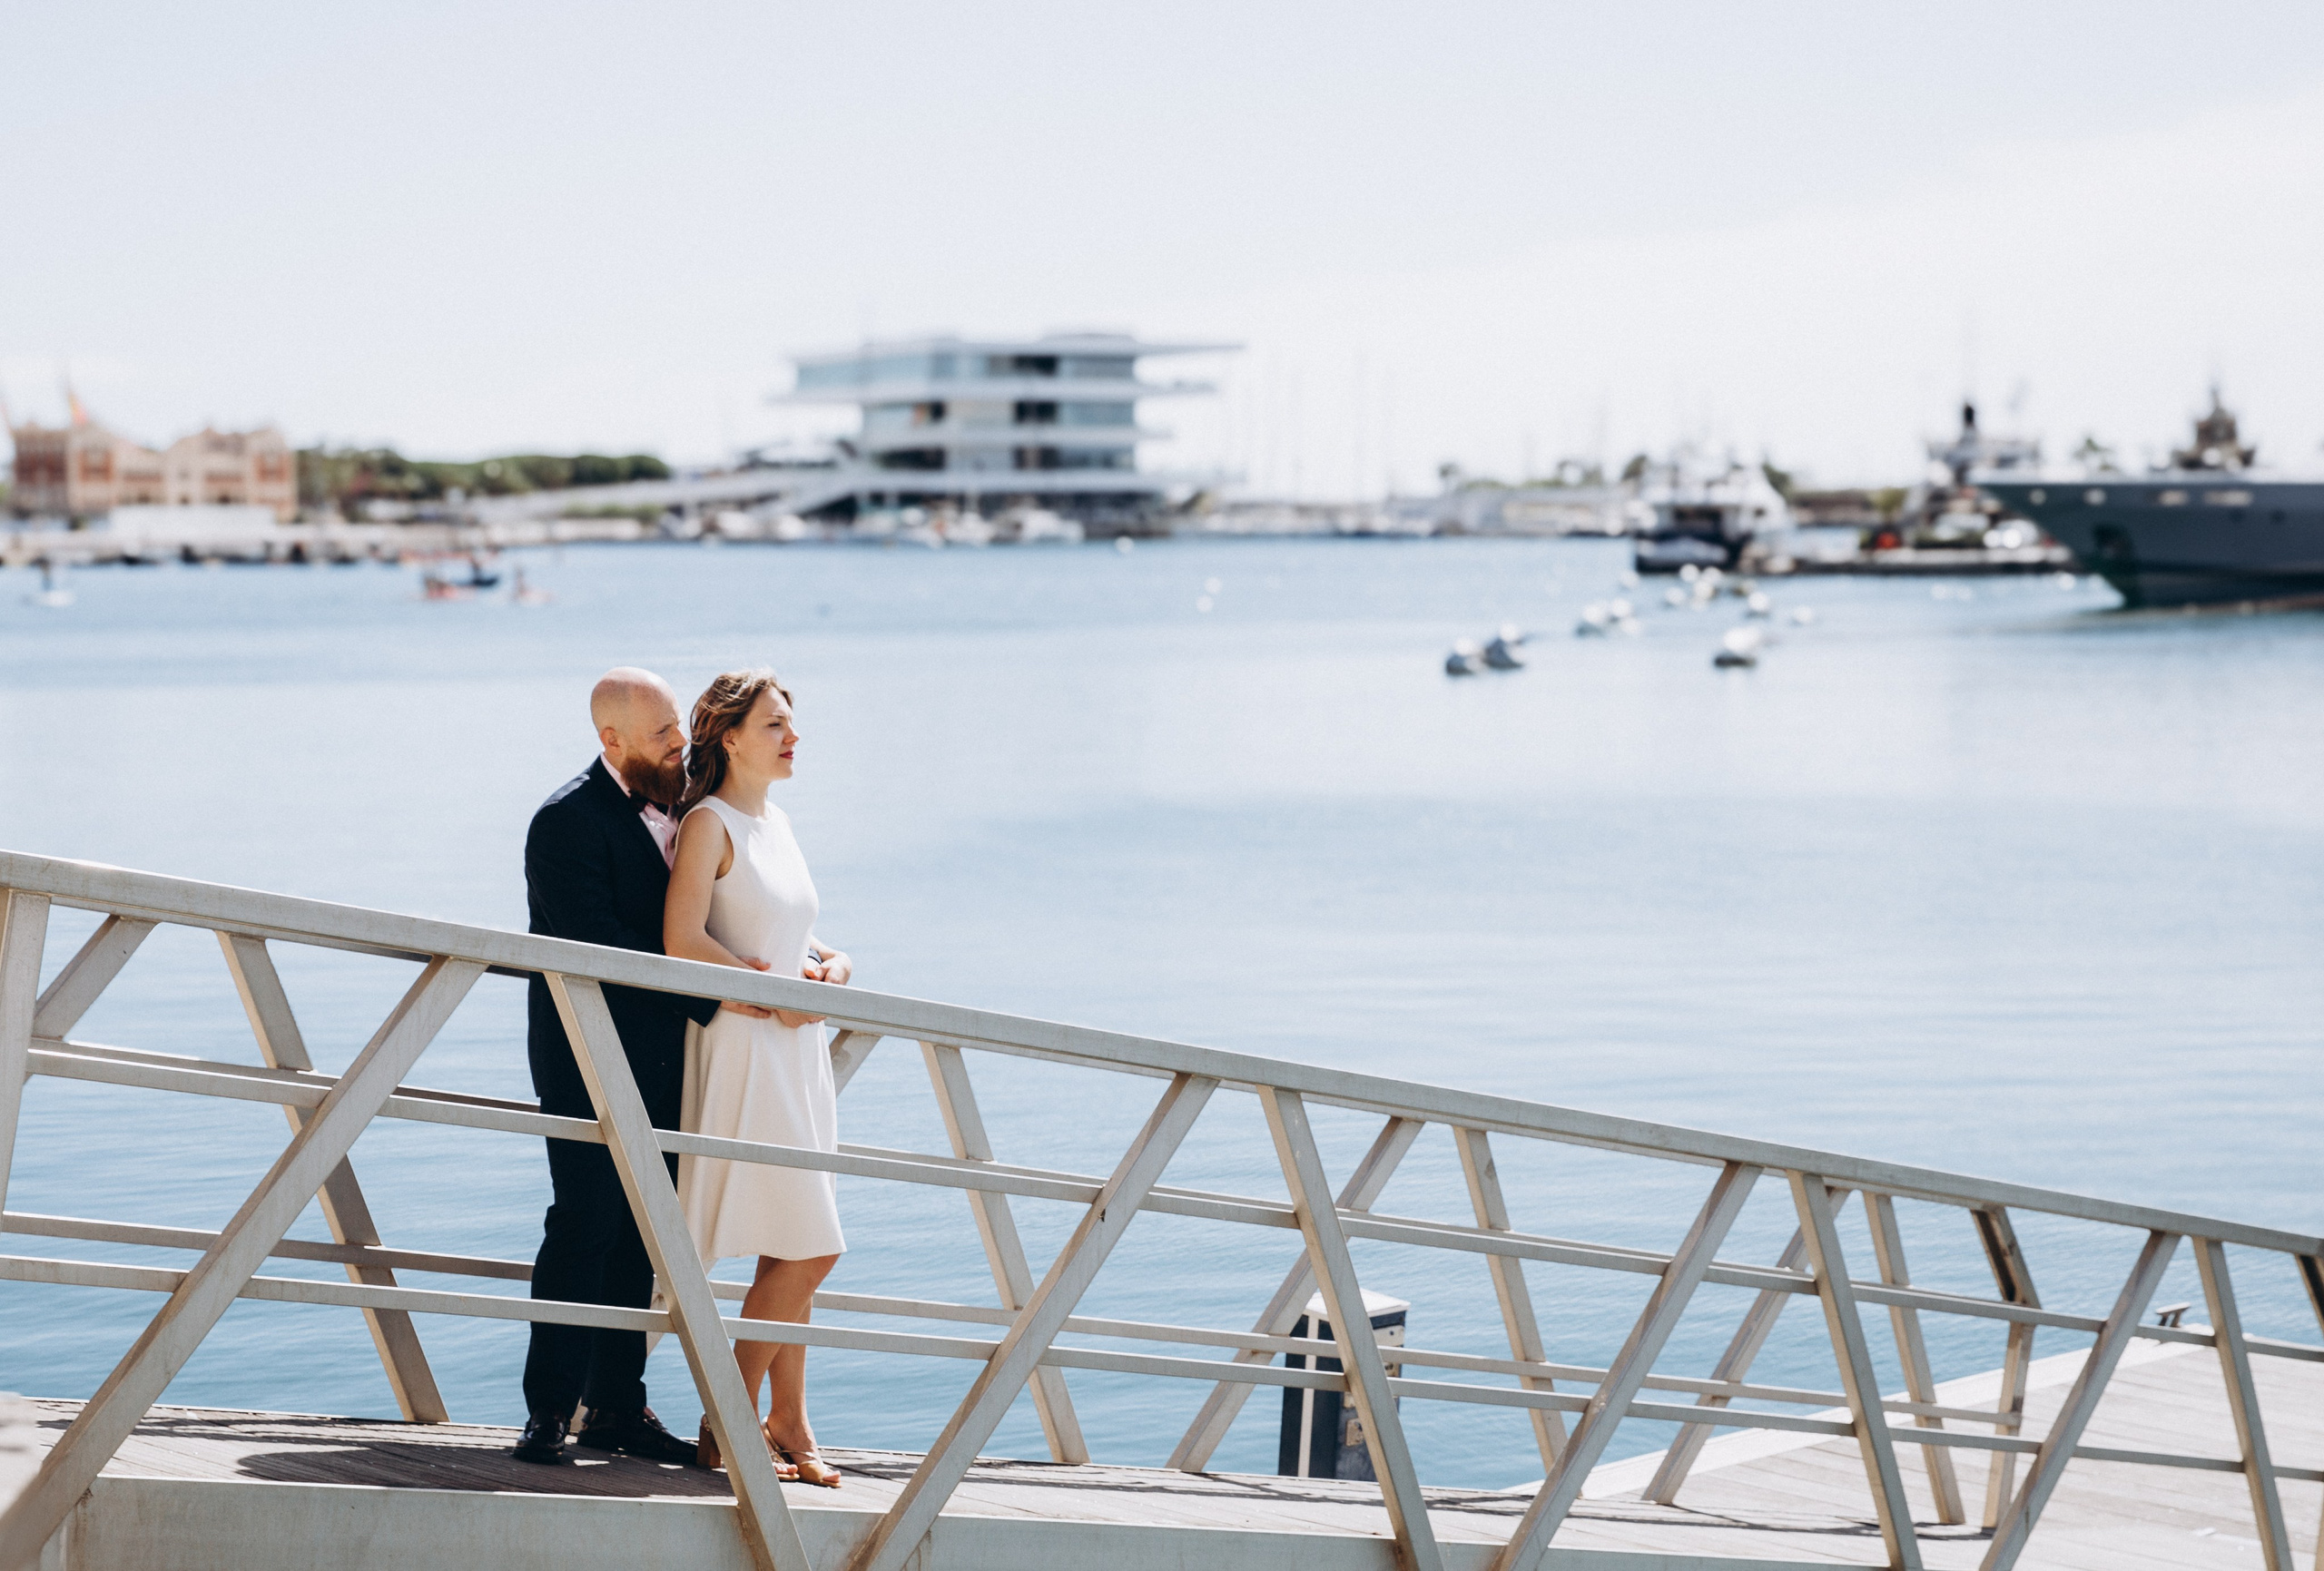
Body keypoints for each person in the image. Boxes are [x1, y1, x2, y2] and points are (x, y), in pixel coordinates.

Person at [513, 667, 775, 1467]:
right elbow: (606, 948)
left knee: (642, 1237)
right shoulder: (564, 822)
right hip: (588, 1060)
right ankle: (548, 1410)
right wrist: (722, 986)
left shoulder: (689, 813)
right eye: (663, 735)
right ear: (612, 741)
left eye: (677, 730)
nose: (679, 746)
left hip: (669, 1060)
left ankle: (616, 1406)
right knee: (584, 1224)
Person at [665, 668, 851, 1487]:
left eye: (792, 723)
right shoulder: (709, 822)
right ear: (730, 736)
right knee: (814, 1248)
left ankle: (789, 1418)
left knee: (793, 1241)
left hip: (795, 1052)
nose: (793, 736)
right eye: (776, 723)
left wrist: (831, 964)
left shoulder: (775, 820)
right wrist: (765, 992)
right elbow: (681, 939)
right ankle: (729, 1421)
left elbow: (788, 930)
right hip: (747, 1048)